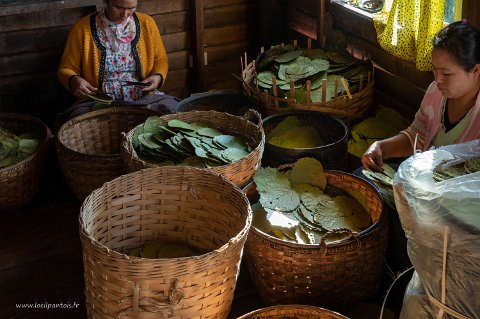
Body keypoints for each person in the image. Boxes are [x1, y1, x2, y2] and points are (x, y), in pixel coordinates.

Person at [362, 20, 480, 172]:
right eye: (435, 70)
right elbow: (416, 136)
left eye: (446, 73)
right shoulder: (435, 93)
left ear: (476, 71)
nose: (438, 80)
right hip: (423, 180)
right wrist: (380, 147)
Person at [56, 0, 179, 129]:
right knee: (75, 123)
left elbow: (160, 59)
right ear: (106, 2)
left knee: (172, 110)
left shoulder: (147, 23)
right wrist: (73, 80)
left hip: (142, 99)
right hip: (100, 101)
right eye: (118, 7)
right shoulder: (82, 28)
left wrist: (158, 76)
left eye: (132, 8)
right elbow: (66, 68)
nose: (125, 14)